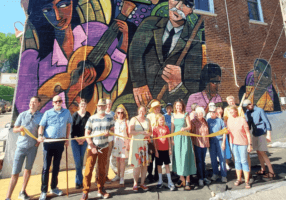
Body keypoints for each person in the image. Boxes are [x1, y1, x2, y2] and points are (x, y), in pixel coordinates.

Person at [16, 0, 129, 116]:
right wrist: (74, 88)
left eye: (63, 5)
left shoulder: (97, 32)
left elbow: (110, 79)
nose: (58, 16)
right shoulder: (42, 64)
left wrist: (124, 40)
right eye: (47, 10)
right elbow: (34, 111)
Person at [129, 0, 202, 109]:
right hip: (140, 102)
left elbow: (192, 90)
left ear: (191, 10)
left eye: (186, 4)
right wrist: (138, 83)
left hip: (168, 107)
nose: (177, 7)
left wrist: (178, 85)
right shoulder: (149, 24)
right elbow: (135, 53)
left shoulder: (193, 42)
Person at [5, 96, 43, 200]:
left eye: (34, 102)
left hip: (32, 148)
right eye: (31, 102)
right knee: (15, 172)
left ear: (38, 104)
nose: (32, 104)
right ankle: (8, 197)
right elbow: (14, 129)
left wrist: (37, 144)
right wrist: (19, 128)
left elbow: (41, 130)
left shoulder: (41, 116)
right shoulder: (22, 115)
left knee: (28, 170)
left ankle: (22, 191)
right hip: (20, 147)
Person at [37, 95, 73, 200]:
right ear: (52, 103)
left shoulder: (66, 112)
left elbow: (68, 125)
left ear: (62, 102)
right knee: (46, 167)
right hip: (48, 142)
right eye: (56, 101)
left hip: (60, 142)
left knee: (56, 166)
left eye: (60, 101)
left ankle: (53, 187)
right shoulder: (48, 113)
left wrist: (67, 139)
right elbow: (41, 126)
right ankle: (43, 191)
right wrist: (40, 136)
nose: (58, 103)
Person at [80, 99, 114, 200]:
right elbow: (87, 134)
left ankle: (101, 189)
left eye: (103, 106)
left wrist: (109, 133)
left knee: (102, 170)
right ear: (97, 107)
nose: (101, 108)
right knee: (88, 170)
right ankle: (85, 191)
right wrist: (92, 145)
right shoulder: (92, 118)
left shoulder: (110, 118)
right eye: (100, 106)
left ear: (105, 107)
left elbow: (113, 130)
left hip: (104, 147)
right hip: (92, 148)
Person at [243, 99, 275, 178]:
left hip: (262, 133)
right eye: (246, 107)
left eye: (248, 106)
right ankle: (263, 169)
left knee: (262, 152)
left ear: (251, 104)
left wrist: (268, 134)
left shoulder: (260, 110)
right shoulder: (247, 112)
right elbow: (248, 125)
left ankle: (271, 172)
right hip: (255, 133)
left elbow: (267, 122)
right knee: (258, 152)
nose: (247, 107)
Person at [172, 99, 196, 190]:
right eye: (177, 106)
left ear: (182, 106)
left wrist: (184, 128)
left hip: (185, 139)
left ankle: (188, 180)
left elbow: (189, 127)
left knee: (186, 157)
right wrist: (172, 139)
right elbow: (172, 129)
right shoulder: (173, 116)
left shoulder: (186, 115)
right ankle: (181, 178)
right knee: (178, 159)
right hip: (177, 139)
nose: (178, 107)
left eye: (180, 106)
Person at [227, 105, 252, 189]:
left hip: (243, 143)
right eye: (229, 111)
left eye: (232, 111)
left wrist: (250, 144)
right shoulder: (229, 120)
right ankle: (239, 179)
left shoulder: (242, 120)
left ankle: (247, 181)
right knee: (237, 161)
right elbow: (228, 131)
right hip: (233, 143)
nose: (230, 113)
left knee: (244, 161)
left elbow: (248, 133)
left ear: (236, 111)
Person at [128, 106, 152, 192]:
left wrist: (147, 134)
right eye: (140, 111)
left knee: (144, 165)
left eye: (143, 111)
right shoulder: (133, 119)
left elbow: (150, 132)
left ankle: (142, 183)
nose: (142, 112)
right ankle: (135, 183)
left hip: (145, 145)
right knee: (137, 165)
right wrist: (141, 132)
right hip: (136, 144)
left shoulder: (148, 120)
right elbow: (130, 132)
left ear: (145, 111)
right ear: (138, 111)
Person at [71, 99, 90, 189]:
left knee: (81, 161)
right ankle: (79, 180)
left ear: (86, 105)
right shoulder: (75, 115)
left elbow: (89, 128)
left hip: (84, 140)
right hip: (75, 140)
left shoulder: (88, 115)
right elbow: (72, 129)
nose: (83, 105)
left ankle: (78, 180)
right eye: (81, 104)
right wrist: (78, 139)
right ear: (79, 105)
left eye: (84, 104)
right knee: (77, 161)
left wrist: (84, 139)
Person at [153, 114, 175, 191]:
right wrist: (156, 151)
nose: (161, 121)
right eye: (160, 120)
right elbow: (155, 141)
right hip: (158, 150)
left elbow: (168, 138)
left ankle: (169, 181)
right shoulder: (155, 128)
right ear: (157, 121)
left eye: (162, 120)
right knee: (159, 165)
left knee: (167, 165)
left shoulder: (166, 127)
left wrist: (169, 149)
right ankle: (160, 180)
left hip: (165, 150)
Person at [191, 106, 211, 187]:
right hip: (197, 144)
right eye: (198, 113)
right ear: (196, 114)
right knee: (199, 161)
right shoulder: (193, 122)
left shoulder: (205, 121)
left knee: (203, 161)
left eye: (201, 113)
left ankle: (204, 177)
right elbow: (191, 133)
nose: (200, 114)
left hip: (205, 144)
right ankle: (200, 178)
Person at [207, 106, 227, 183]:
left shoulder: (220, 121)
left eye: (214, 112)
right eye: (211, 112)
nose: (212, 113)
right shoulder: (208, 121)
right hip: (212, 142)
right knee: (213, 159)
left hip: (220, 141)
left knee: (222, 159)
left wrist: (224, 143)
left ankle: (223, 175)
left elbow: (224, 132)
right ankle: (215, 174)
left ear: (216, 112)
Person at [111, 106, 130, 185]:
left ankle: (122, 177)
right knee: (117, 160)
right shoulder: (114, 122)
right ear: (116, 113)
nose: (120, 114)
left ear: (124, 113)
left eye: (122, 112)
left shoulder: (126, 122)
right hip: (116, 143)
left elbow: (129, 134)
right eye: (118, 112)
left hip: (124, 144)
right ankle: (118, 175)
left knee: (122, 160)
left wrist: (129, 144)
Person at [146, 100, 161, 182]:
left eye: (158, 107)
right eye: (156, 108)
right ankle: (150, 174)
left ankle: (157, 174)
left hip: (159, 138)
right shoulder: (149, 116)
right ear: (153, 109)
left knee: (158, 157)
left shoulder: (161, 116)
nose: (158, 109)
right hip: (151, 139)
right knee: (151, 158)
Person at [216, 105, 231, 171]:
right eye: (218, 108)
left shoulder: (224, 118)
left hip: (225, 136)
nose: (219, 110)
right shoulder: (215, 118)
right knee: (219, 150)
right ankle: (220, 164)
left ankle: (226, 163)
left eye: (220, 108)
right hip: (218, 137)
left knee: (226, 150)